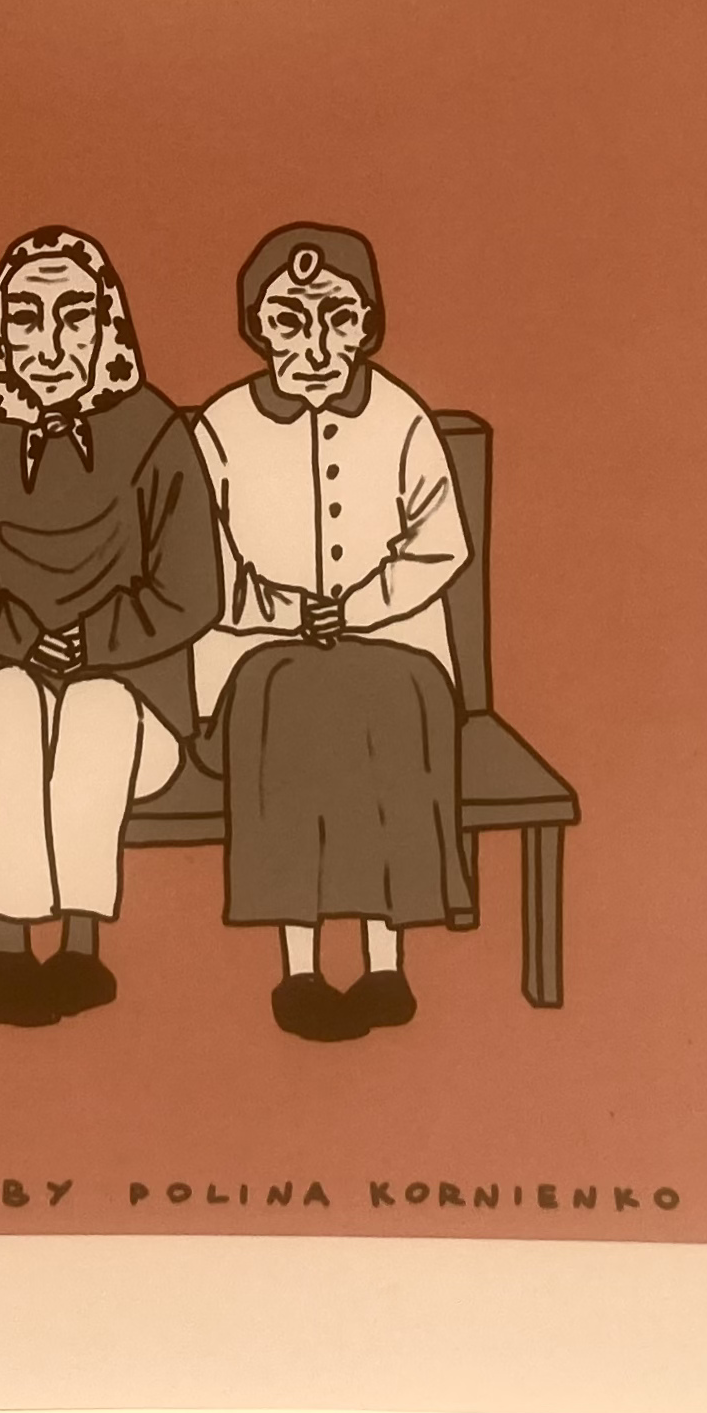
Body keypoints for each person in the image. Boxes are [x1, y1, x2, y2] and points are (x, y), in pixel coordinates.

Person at [0, 227, 220, 1028]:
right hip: (2, 698)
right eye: (27, 319)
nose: (49, 345)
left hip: (135, 709)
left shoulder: (155, 434)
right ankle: (7, 947)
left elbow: (192, 591)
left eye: (74, 317)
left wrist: (92, 643)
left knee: (97, 707)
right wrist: (24, 641)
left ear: (106, 325)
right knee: (6, 702)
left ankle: (81, 946)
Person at [193, 225, 473, 1042]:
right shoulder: (222, 427)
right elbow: (197, 559)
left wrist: (359, 608)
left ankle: (387, 963)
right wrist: (284, 612)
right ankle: (300, 968)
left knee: (390, 698)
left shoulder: (400, 416)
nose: (315, 346)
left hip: (393, 652)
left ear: (366, 325)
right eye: (289, 320)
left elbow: (441, 543)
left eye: (337, 319)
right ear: (257, 327)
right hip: (260, 658)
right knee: (290, 700)